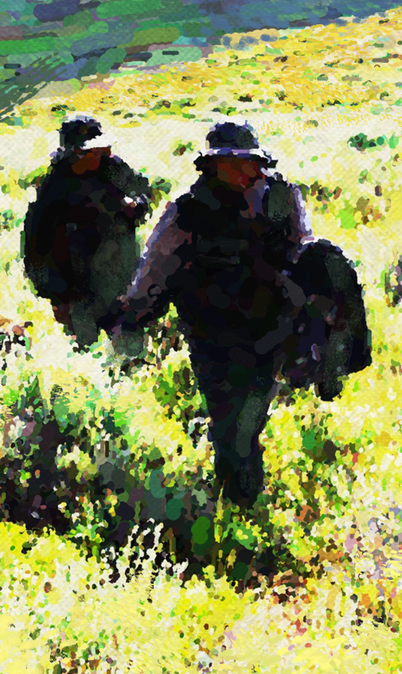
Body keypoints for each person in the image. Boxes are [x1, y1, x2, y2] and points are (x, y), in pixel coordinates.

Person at [109, 121, 370, 513]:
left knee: (329, 260)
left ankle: (330, 365)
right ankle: (239, 508)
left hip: (275, 321)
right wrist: (132, 315)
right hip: (217, 332)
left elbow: (302, 250)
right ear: (212, 166)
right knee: (234, 428)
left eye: (245, 161)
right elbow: (156, 269)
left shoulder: (281, 197)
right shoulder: (188, 212)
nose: (240, 169)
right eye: (229, 161)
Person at [22, 115, 152, 349]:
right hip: (75, 286)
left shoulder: (113, 168)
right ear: (72, 153)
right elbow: (37, 248)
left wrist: (135, 205)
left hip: (120, 276)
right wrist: (55, 296)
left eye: (98, 150)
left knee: (128, 340)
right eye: (87, 152)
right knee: (86, 346)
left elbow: (143, 194)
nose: (95, 156)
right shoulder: (55, 186)